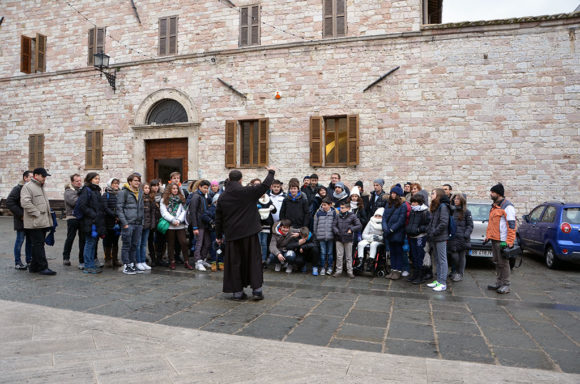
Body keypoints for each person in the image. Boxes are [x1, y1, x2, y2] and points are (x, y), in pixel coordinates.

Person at [216, 167, 276, 301]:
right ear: (241, 179)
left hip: (232, 235)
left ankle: (237, 292)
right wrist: (271, 172)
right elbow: (265, 185)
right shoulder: (247, 191)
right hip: (249, 233)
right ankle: (257, 290)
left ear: (229, 179)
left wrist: (218, 236)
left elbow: (218, 218)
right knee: (253, 261)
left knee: (235, 263)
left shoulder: (223, 197)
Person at [20, 168, 56, 275]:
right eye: (43, 176)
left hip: (42, 222)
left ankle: (34, 267)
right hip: (34, 222)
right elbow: (25, 203)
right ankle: (42, 267)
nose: (45, 178)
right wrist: (37, 213)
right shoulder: (28, 187)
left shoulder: (40, 187)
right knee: (38, 245)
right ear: (36, 175)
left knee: (38, 245)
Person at [485, 183, 516, 294]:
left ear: (498, 194)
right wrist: (488, 236)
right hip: (494, 239)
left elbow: (511, 225)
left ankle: (506, 285)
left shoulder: (508, 207)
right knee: (497, 262)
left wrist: (509, 241)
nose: (490, 194)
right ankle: (499, 282)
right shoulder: (494, 206)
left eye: (492, 192)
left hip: (502, 240)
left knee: (504, 263)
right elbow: (492, 224)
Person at [76, 172, 106, 274]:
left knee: (93, 243)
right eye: (95, 178)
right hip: (89, 221)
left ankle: (91, 264)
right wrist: (93, 215)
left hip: (96, 221)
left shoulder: (96, 190)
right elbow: (82, 205)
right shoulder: (86, 190)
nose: (98, 180)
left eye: (98, 178)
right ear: (90, 180)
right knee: (89, 243)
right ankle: (88, 265)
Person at [117, 173, 145, 274]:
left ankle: (133, 264)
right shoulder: (123, 193)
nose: (137, 182)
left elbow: (141, 208)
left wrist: (142, 222)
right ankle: (126, 265)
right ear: (130, 182)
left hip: (138, 223)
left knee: (134, 245)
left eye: (138, 180)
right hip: (128, 223)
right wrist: (124, 223)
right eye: (135, 180)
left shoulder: (140, 192)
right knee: (126, 245)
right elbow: (119, 209)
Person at [160, 182, 191, 270]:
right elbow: (164, 212)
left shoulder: (181, 199)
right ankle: (172, 261)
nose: (175, 190)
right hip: (170, 225)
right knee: (171, 244)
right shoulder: (164, 200)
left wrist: (178, 220)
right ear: (169, 189)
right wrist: (172, 220)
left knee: (184, 242)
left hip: (180, 224)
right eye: (173, 189)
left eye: (176, 189)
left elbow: (184, 211)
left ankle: (186, 261)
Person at [6, 170, 33, 270]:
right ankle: (18, 262)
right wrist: (21, 215)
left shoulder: (31, 189)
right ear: (25, 178)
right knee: (20, 241)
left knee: (30, 241)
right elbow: (9, 202)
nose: (32, 179)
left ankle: (29, 261)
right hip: (21, 220)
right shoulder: (18, 188)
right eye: (30, 177)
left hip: (30, 220)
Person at [426, 188, 450, 292]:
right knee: (437, 260)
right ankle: (438, 280)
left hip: (440, 237)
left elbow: (443, 223)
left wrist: (434, 232)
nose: (431, 195)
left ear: (438, 195)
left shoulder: (443, 207)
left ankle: (443, 282)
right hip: (434, 237)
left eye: (433, 193)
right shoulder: (436, 206)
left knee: (442, 260)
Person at [382, 185, 407, 280]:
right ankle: (393, 270)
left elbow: (401, 220)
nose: (392, 195)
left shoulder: (403, 205)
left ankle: (398, 271)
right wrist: (385, 228)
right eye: (392, 193)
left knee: (398, 251)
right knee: (392, 252)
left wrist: (392, 229)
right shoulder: (388, 204)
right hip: (388, 232)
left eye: (394, 193)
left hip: (397, 232)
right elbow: (384, 217)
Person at [187, 179, 213, 271]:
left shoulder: (204, 196)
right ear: (199, 187)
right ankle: (197, 261)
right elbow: (193, 212)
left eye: (207, 188)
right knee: (199, 243)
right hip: (198, 224)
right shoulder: (196, 197)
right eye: (204, 188)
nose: (206, 190)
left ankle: (202, 259)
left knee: (207, 242)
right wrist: (195, 227)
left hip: (205, 224)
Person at [405, 194, 431, 284]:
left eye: (414, 202)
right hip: (412, 236)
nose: (412, 204)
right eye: (412, 202)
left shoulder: (425, 212)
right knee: (414, 256)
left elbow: (428, 225)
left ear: (419, 203)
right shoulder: (413, 211)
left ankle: (420, 276)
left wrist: (419, 229)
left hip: (420, 237)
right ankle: (415, 274)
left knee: (420, 256)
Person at [448, 193, 473, 282]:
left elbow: (470, 225)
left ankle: (459, 273)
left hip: (462, 238)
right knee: (454, 257)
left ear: (462, 200)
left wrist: (465, 235)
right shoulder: (451, 210)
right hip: (453, 238)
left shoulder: (466, 212)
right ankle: (455, 271)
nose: (456, 200)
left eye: (458, 199)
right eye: (455, 199)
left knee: (462, 257)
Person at [332, 201, 361, 278]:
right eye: (340, 208)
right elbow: (334, 225)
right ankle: (338, 270)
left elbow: (359, 225)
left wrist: (351, 229)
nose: (341, 209)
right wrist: (336, 231)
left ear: (348, 208)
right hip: (339, 238)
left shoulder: (353, 216)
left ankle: (350, 271)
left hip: (348, 238)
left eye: (343, 208)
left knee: (348, 256)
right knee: (339, 256)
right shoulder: (337, 216)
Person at [313, 197, 336, 276]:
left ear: (330, 205)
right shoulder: (318, 213)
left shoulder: (334, 213)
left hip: (330, 236)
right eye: (322, 205)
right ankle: (322, 267)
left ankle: (329, 267)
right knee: (323, 253)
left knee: (330, 253)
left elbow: (336, 224)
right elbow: (315, 225)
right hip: (321, 236)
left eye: (325, 205)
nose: (323, 206)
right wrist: (316, 234)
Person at [102, 178, 121, 268]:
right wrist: (115, 215)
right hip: (108, 222)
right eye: (114, 184)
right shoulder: (106, 195)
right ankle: (108, 259)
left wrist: (120, 215)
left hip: (118, 222)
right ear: (110, 184)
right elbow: (105, 208)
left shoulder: (120, 195)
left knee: (116, 242)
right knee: (108, 241)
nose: (116, 185)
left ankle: (115, 259)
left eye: (117, 184)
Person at [137, 183, 155, 271]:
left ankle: (143, 261)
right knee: (138, 244)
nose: (147, 189)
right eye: (145, 188)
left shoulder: (151, 198)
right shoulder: (139, 198)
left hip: (147, 224)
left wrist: (152, 223)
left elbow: (152, 212)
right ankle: (138, 261)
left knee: (144, 244)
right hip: (140, 224)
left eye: (148, 188)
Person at [257, 192, 277, 267]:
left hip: (266, 224)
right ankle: (257, 259)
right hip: (257, 224)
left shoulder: (268, 200)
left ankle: (263, 260)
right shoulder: (256, 199)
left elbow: (274, 211)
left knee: (264, 243)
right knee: (258, 243)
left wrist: (273, 207)